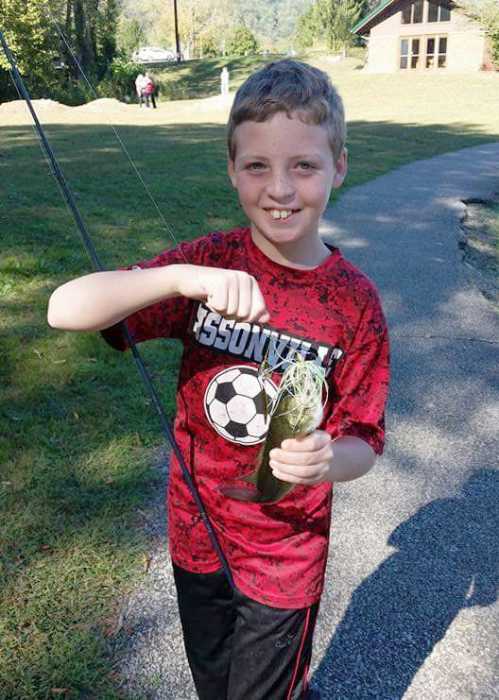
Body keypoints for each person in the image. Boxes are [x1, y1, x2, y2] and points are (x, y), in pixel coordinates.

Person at [47, 59, 390, 699]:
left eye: (304, 166)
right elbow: (62, 308)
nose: (280, 188)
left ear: (340, 166)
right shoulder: (206, 265)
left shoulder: (356, 304)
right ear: (231, 170)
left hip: (284, 557)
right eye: (257, 165)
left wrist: (326, 460)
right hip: (195, 535)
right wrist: (176, 279)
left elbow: (365, 440)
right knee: (214, 686)